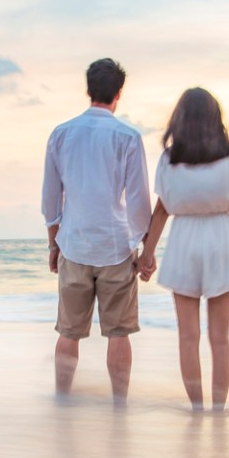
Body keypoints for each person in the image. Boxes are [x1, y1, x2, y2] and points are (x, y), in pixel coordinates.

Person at [41, 58, 152, 402]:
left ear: (88, 90)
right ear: (119, 93)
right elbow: (138, 202)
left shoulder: (61, 134)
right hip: (116, 246)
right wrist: (145, 251)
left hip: (74, 243)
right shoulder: (128, 137)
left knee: (69, 332)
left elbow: (50, 200)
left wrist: (53, 246)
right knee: (119, 333)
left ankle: (62, 401)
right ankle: (120, 406)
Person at [136, 88, 229, 411]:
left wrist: (146, 256)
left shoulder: (169, 160)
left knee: (188, 336)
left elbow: (161, 211)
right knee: (220, 338)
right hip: (222, 240)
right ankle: (218, 411)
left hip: (184, 240)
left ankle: (197, 409)